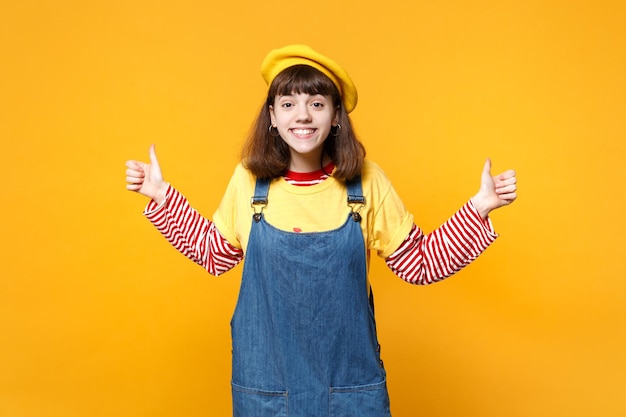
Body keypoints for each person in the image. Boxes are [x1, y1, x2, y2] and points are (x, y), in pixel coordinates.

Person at [125, 44, 517, 417]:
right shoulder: (249, 181)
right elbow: (214, 254)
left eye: (316, 104)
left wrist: (479, 207)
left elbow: (418, 263)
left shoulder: (366, 183)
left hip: (350, 388)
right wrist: (160, 195)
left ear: (335, 117)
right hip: (267, 392)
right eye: (289, 104)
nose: (303, 115)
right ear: (273, 118)